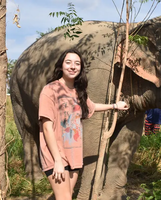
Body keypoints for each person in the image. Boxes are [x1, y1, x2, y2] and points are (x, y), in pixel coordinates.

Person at [38, 48, 128, 200]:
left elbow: (92, 106)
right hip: (55, 156)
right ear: (61, 66)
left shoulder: (78, 92)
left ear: (80, 68)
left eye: (77, 63)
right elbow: (47, 128)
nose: (73, 66)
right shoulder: (50, 90)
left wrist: (114, 106)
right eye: (68, 62)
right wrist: (57, 161)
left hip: (73, 154)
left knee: (66, 196)